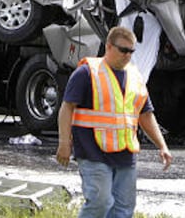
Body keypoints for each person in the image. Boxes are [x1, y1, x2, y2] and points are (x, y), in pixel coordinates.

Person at [56, 26, 172, 217]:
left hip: (125, 154)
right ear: (109, 47)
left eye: (131, 51)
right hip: (92, 151)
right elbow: (67, 108)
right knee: (100, 202)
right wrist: (64, 143)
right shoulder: (87, 73)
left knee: (123, 209)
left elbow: (146, 114)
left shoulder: (135, 76)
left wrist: (162, 146)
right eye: (123, 50)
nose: (128, 55)